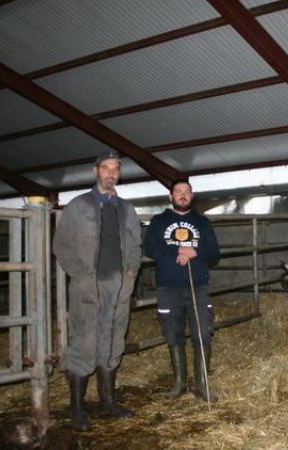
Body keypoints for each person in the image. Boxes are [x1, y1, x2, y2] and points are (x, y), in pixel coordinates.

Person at [53, 150, 141, 431]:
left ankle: (107, 402)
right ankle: (77, 409)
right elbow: (62, 246)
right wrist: (81, 277)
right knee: (85, 342)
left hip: (119, 285)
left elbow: (135, 247)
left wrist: (130, 274)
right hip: (88, 286)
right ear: (96, 171)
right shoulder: (78, 206)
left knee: (114, 339)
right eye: (106, 167)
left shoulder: (127, 209)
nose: (111, 173)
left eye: (115, 168)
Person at [143, 179, 220, 402]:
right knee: (173, 333)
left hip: (198, 286)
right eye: (178, 191)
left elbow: (214, 252)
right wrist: (179, 248)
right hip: (168, 287)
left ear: (192, 196)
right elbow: (150, 248)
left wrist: (194, 250)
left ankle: (202, 384)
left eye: (187, 192)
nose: (183, 195)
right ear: (171, 196)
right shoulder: (159, 221)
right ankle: (179, 383)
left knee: (202, 334)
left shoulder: (202, 223)